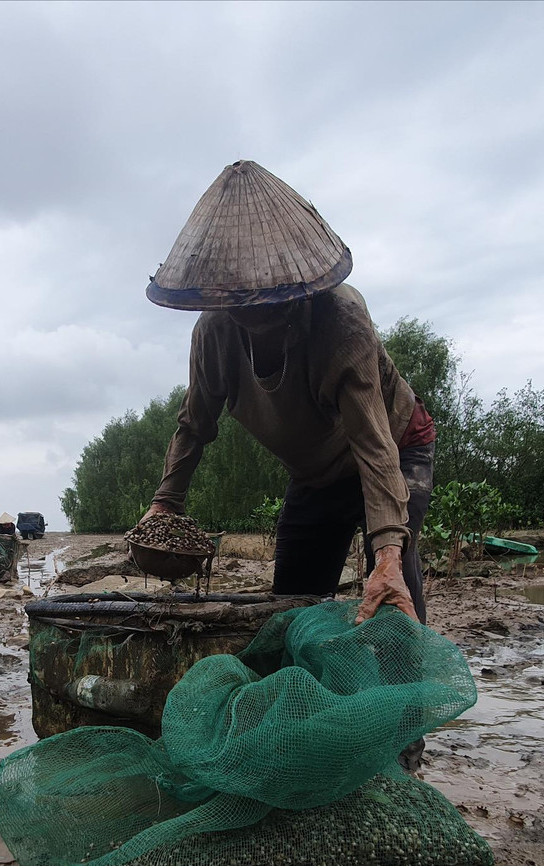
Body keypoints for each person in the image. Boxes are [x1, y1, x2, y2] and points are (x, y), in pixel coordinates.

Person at [142, 160, 437, 629]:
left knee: (392, 589)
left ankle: (408, 681)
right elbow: (193, 425)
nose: (253, 313)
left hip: (394, 446)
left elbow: (373, 445)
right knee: (293, 603)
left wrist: (385, 556)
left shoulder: (341, 322)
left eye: (268, 301)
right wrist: (165, 504)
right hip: (316, 471)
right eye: (239, 303)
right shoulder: (214, 333)